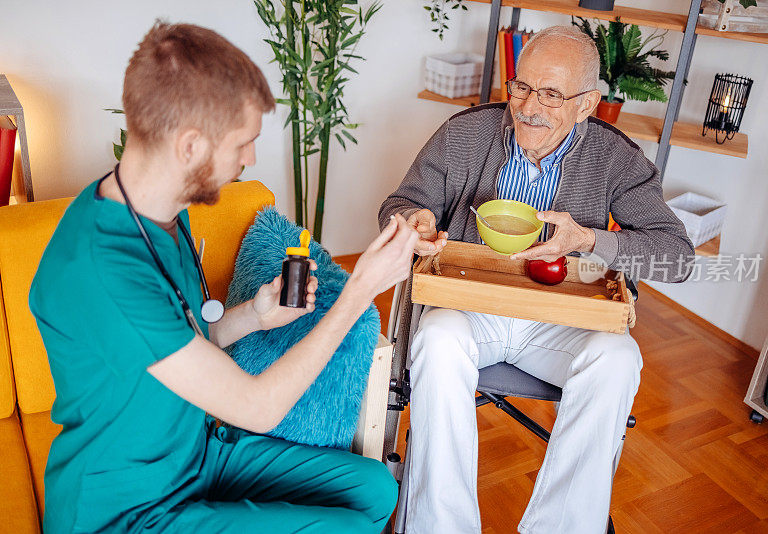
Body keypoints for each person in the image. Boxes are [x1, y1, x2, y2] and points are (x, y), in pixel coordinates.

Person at [30, 22, 417, 533]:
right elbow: (258, 408)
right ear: (190, 146)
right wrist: (362, 290)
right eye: (243, 143)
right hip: (128, 508)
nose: (250, 160)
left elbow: (186, 334)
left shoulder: (162, 211)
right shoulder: (105, 270)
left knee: (372, 490)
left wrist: (255, 317)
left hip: (193, 454)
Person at [379, 26, 695, 534]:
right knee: (436, 340)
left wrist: (591, 240)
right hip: (470, 305)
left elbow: (677, 258)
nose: (528, 106)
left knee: (619, 358)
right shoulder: (464, 134)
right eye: (522, 87)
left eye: (552, 94)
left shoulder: (617, 158)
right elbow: (397, 205)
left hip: (559, 319)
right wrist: (413, 219)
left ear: (588, 103)